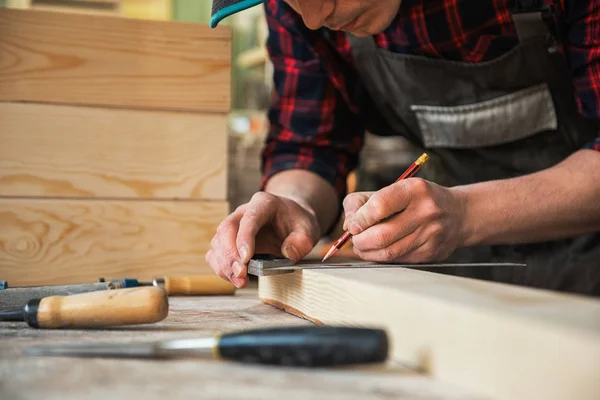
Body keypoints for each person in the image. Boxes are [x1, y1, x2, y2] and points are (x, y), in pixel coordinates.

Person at [206, 0, 600, 296]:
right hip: (470, 280)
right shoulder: (304, 10)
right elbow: (310, 144)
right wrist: (294, 204)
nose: (313, 16)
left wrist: (465, 213)